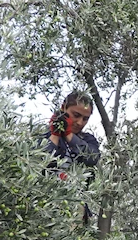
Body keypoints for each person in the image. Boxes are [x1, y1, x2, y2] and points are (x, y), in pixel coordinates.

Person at [43, 91, 101, 222]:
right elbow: (40, 163)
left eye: (85, 118)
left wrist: (68, 133)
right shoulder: (45, 136)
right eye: (76, 115)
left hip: (76, 209)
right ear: (63, 108)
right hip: (46, 205)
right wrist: (55, 133)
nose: (80, 122)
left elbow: (92, 158)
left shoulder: (88, 140)